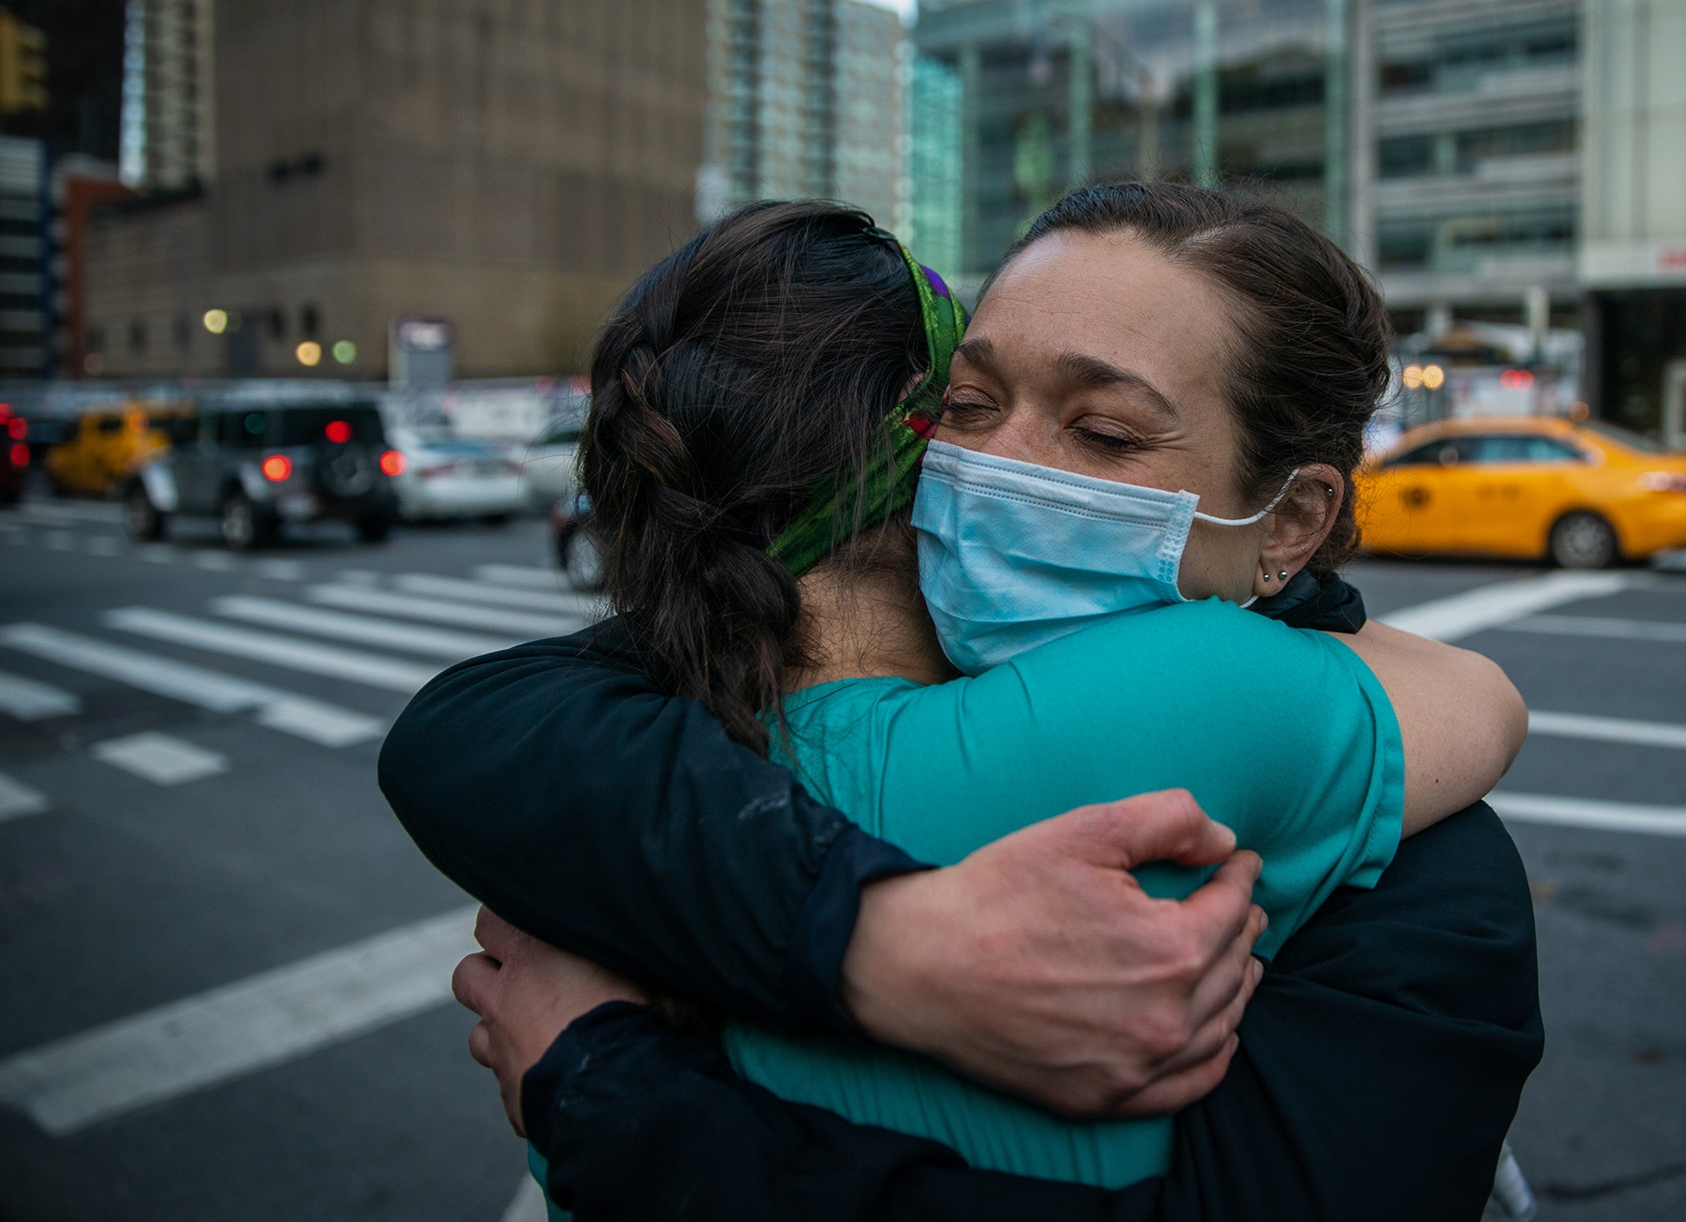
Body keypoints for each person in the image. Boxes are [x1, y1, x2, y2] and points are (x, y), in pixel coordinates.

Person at [384, 188, 1543, 1218]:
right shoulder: (688, 732)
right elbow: (472, 725)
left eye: (1103, 431)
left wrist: (604, 1087)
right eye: (970, 404)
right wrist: (883, 944)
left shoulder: (1430, 889)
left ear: (1287, 520)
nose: (998, 468)